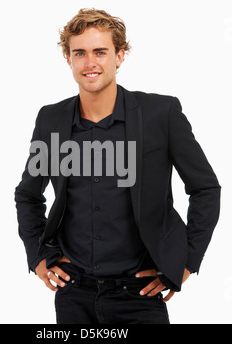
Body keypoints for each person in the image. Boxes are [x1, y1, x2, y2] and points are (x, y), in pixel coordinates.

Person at [14, 8, 221, 324]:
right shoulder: (51, 119)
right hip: (73, 294)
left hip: (139, 294)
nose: (90, 62)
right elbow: (28, 195)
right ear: (68, 59)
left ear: (120, 56)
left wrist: (187, 262)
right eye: (79, 53)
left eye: (100, 51)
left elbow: (205, 188)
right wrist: (38, 257)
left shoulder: (160, 114)